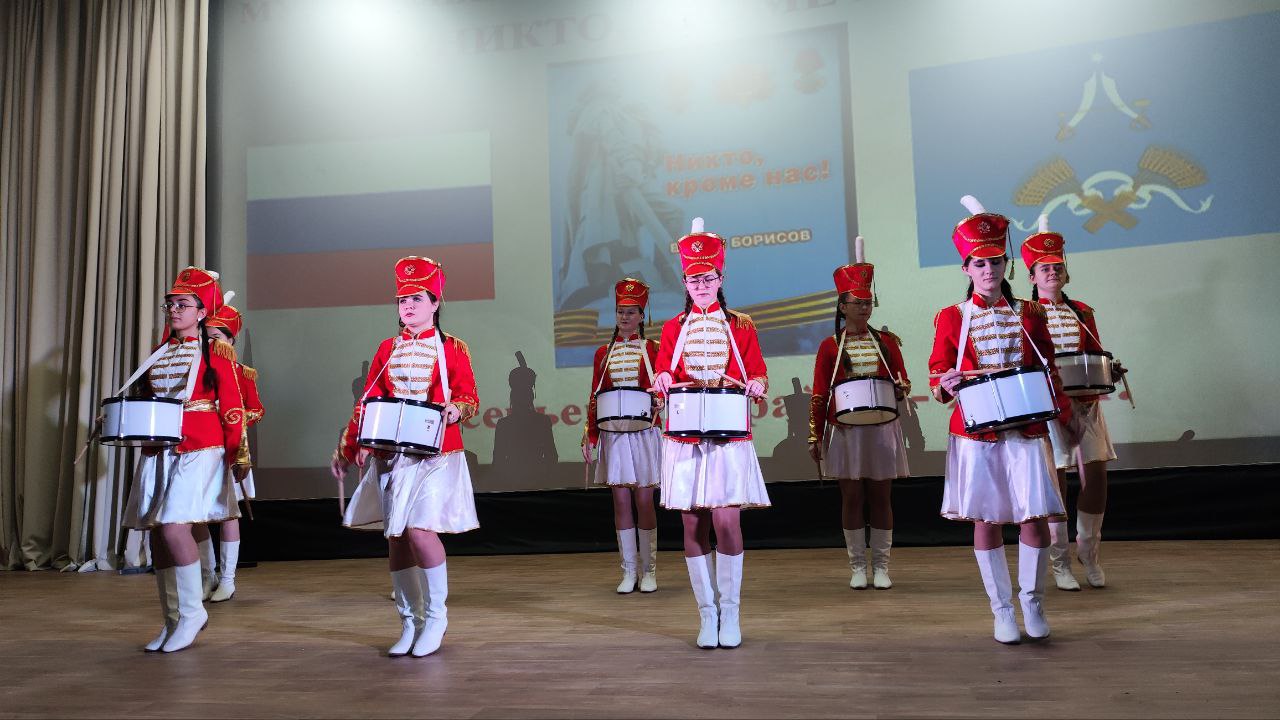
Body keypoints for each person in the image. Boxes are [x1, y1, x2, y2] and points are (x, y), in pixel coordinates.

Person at [927, 197, 1072, 645]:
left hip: (1026, 428)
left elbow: (1049, 367)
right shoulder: (952, 316)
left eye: (995, 261)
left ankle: (1033, 602)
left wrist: (1065, 416)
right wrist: (946, 383)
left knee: (1034, 518)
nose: (988, 269)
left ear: (1006, 264)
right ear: (966, 268)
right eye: (979, 263)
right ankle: (1002, 610)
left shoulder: (1030, 313)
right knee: (986, 520)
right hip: (978, 433)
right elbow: (937, 373)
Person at [330, 256, 480, 658]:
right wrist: (349, 447)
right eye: (402, 300)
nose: (408, 306)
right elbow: (368, 401)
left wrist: (456, 410)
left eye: (416, 299)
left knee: (419, 530)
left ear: (435, 303)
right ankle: (409, 622)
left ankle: (436, 617)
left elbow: (469, 395)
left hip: (435, 454)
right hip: (392, 455)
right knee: (396, 537)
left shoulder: (451, 347)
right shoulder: (387, 348)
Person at [651, 218, 770, 649]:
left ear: (720, 279)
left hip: (728, 434)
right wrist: (663, 379)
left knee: (727, 520)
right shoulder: (672, 328)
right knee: (692, 522)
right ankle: (707, 614)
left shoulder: (741, 325)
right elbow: (662, 374)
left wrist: (756, 384)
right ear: (684, 282)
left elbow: (757, 372)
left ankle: (731, 612)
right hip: (684, 437)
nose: (701, 285)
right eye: (693, 279)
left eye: (708, 278)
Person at [122, 266, 249, 653]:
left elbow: (233, 407)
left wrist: (237, 453)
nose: (174, 310)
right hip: (160, 449)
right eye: (171, 304)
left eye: (183, 304)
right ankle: (173, 618)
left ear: (202, 311)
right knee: (158, 534)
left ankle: (193, 613)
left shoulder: (217, 353)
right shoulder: (158, 355)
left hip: (201, 447)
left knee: (175, 527)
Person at [1021, 216, 1122, 589]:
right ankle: (1060, 560)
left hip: (1086, 403)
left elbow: (1094, 352)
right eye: (1044, 268)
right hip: (1049, 406)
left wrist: (1110, 370)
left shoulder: (1082, 311)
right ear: (1032, 276)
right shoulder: (1025, 314)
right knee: (1056, 483)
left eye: (1057, 266)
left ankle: (1089, 552)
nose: (1052, 272)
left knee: (1096, 477)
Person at [808, 237, 911, 590]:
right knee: (851, 496)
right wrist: (814, 434)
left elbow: (902, 380)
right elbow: (820, 392)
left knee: (881, 496)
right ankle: (856, 566)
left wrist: (901, 388)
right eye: (858, 303)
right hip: (846, 429)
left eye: (868, 302)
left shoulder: (887, 341)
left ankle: (881, 565)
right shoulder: (829, 346)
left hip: (882, 426)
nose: (865, 308)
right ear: (843, 305)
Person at [582, 278, 662, 593]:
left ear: (641, 316)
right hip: (613, 433)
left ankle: (649, 570)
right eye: (620, 311)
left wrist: (660, 401)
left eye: (631, 312)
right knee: (620, 500)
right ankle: (628, 571)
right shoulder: (603, 352)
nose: (624, 317)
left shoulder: (653, 348)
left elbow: (662, 387)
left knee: (644, 499)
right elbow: (595, 395)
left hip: (644, 432)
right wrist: (590, 435)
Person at [191, 295, 264, 602]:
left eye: (217, 337)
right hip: (201, 448)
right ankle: (207, 575)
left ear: (231, 340)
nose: (211, 342)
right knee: (197, 515)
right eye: (206, 336)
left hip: (230, 449)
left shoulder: (242, 372)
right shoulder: (198, 367)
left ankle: (228, 579)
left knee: (227, 515)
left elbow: (256, 409)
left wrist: (232, 414)